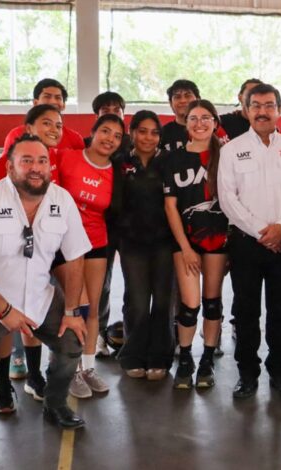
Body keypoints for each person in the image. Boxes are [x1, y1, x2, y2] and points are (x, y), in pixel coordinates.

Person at [0, 134, 91, 457]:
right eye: (26, 160)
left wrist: (72, 309)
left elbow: (76, 256)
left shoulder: (62, 200)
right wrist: (3, 310)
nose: (36, 168)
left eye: (42, 161)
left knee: (72, 345)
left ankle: (54, 406)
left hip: (39, 296)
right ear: (10, 166)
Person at [218, 83, 281, 399]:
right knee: (245, 311)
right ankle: (247, 373)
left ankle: (279, 371)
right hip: (245, 243)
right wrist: (261, 231)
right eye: (255, 105)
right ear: (246, 110)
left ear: (279, 110)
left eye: (269, 105)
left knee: (279, 312)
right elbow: (227, 199)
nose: (262, 111)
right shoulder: (230, 150)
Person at [0, 104, 66, 412]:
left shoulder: (57, 162)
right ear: (28, 128)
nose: (53, 129)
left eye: (58, 125)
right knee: (7, 322)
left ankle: (35, 377)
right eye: (46, 123)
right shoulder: (3, 166)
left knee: (34, 316)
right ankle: (3, 385)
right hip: (8, 255)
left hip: (43, 255)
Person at [163, 100, 229, 389]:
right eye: (193, 118)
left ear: (215, 122)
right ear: (185, 123)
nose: (199, 123)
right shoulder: (174, 159)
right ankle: (187, 357)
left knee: (212, 303)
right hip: (186, 242)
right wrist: (186, 248)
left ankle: (207, 360)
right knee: (189, 305)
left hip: (218, 239)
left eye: (205, 117)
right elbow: (170, 207)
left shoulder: (226, 157)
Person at [57, 114, 124, 398]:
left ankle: (88, 367)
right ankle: (70, 370)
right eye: (105, 131)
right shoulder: (67, 158)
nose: (110, 139)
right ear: (93, 132)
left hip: (97, 242)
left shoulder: (116, 172)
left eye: (117, 136)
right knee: (75, 307)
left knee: (93, 308)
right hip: (64, 244)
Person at [114, 111, 174, 381]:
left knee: (163, 301)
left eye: (154, 132)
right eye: (142, 131)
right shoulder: (120, 162)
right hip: (132, 243)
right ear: (132, 132)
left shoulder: (169, 162)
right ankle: (132, 354)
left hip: (164, 242)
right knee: (137, 302)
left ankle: (160, 356)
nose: (148, 137)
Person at [86, 90, 130, 359]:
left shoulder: (134, 146)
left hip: (132, 226)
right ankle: (99, 334)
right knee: (100, 285)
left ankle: (133, 334)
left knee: (135, 285)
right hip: (100, 226)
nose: (112, 111)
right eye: (105, 109)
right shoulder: (85, 148)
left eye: (117, 108)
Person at [2, 78, 85, 152]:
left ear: (63, 105)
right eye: (47, 96)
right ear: (35, 103)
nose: (53, 101)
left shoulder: (75, 139)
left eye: (58, 97)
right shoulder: (16, 134)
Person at [160, 79, 200, 153]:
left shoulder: (208, 129)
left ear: (198, 100)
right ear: (170, 103)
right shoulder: (162, 133)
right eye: (177, 97)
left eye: (187, 96)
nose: (183, 101)